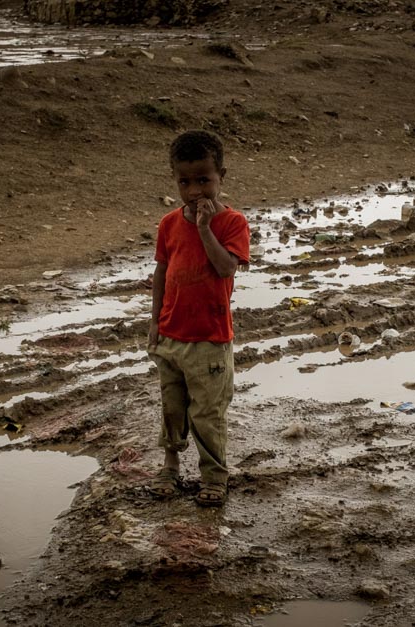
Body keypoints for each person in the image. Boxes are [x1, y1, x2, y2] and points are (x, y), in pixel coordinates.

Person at [147, 130, 250, 507]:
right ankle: (170, 466)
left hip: (210, 339)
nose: (194, 191)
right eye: (185, 182)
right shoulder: (169, 223)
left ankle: (214, 476)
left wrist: (205, 228)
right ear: (175, 179)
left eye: (204, 180)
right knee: (172, 407)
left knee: (207, 413)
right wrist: (154, 322)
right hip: (172, 334)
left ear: (222, 176)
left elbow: (225, 269)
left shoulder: (232, 223)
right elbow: (162, 271)